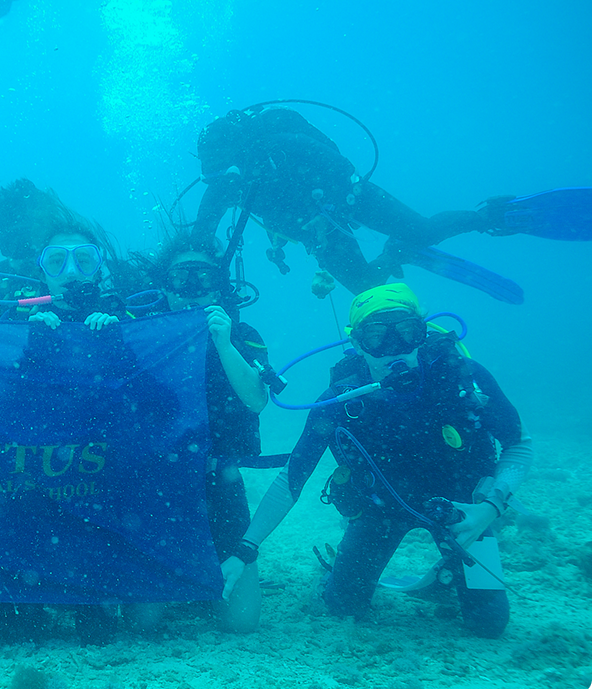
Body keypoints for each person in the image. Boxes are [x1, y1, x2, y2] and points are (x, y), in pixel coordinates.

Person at [220, 283, 531, 638]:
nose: (393, 349)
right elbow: (291, 479)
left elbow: (518, 445)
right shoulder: (341, 401)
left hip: (462, 515)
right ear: (357, 344)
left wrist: (489, 508)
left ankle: (446, 576)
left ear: (422, 334)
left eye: (406, 333)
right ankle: (340, 572)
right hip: (379, 512)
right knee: (343, 606)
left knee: (489, 623)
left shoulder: (463, 379)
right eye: (377, 337)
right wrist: (246, 550)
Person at [191, 107, 491, 296]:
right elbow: (200, 236)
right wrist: (196, 270)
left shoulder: (282, 146)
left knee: (425, 232)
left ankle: (488, 217)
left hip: (351, 198)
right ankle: (396, 252)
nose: (219, 179)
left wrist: (329, 209)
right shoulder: (221, 184)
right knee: (366, 289)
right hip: (314, 232)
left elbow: (342, 167)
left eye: (222, 168)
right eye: (211, 172)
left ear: (240, 150)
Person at [150, 232, 267, 633]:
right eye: (181, 279)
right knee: (143, 623)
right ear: (165, 286)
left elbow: (256, 400)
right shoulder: (144, 337)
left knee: (242, 623)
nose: (191, 290)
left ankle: (203, 574)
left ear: (219, 284)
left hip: (221, 484)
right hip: (158, 488)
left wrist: (224, 343)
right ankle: (181, 574)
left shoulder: (242, 334)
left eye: (203, 278)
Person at [26, 209, 125, 331]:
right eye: (57, 261)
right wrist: (29, 336)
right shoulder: (19, 317)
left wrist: (117, 336)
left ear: (97, 272)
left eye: (82, 261)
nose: (71, 272)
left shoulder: (119, 314)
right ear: (42, 275)